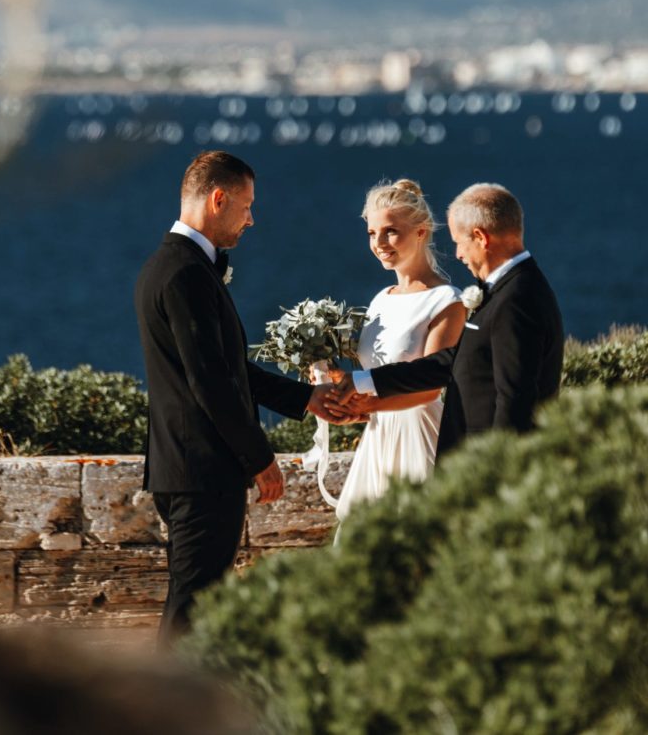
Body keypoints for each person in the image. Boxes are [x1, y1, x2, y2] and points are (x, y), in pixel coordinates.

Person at [135, 150, 343, 645]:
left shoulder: (177, 266)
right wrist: (258, 457)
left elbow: (228, 368)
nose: (251, 219)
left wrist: (306, 399)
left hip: (189, 470)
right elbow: (209, 381)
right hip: (200, 473)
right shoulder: (184, 273)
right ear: (218, 198)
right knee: (193, 611)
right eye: (246, 206)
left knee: (201, 606)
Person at [335, 183, 564, 456]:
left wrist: (501, 473)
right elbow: (447, 364)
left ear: (481, 237)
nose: (458, 254)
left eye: (459, 242)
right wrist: (362, 381)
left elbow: (515, 397)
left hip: (488, 464)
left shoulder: (516, 298)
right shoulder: (508, 289)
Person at [332, 179, 465, 521]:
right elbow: (372, 371)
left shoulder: (446, 301)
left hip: (418, 436)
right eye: (372, 233)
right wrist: (344, 397)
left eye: (390, 231)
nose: (379, 243)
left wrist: (369, 401)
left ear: (421, 232)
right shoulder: (380, 300)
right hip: (378, 436)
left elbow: (430, 386)